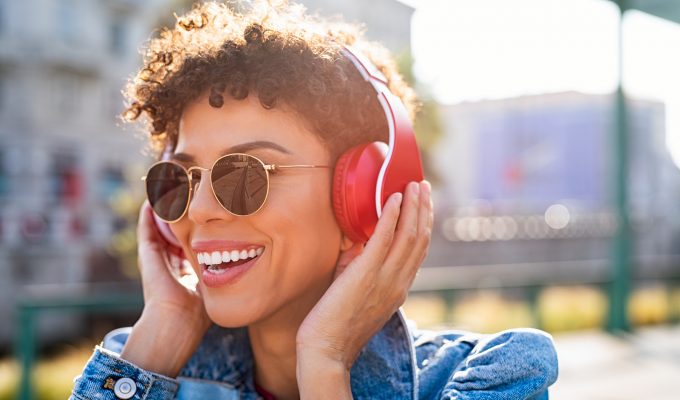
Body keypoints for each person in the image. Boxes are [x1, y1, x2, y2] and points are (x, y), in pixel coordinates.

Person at [70, 1, 558, 399]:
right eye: (179, 179)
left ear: (364, 194)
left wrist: (324, 366)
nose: (197, 210)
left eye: (244, 174)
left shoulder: (490, 379)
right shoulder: (139, 369)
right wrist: (161, 334)